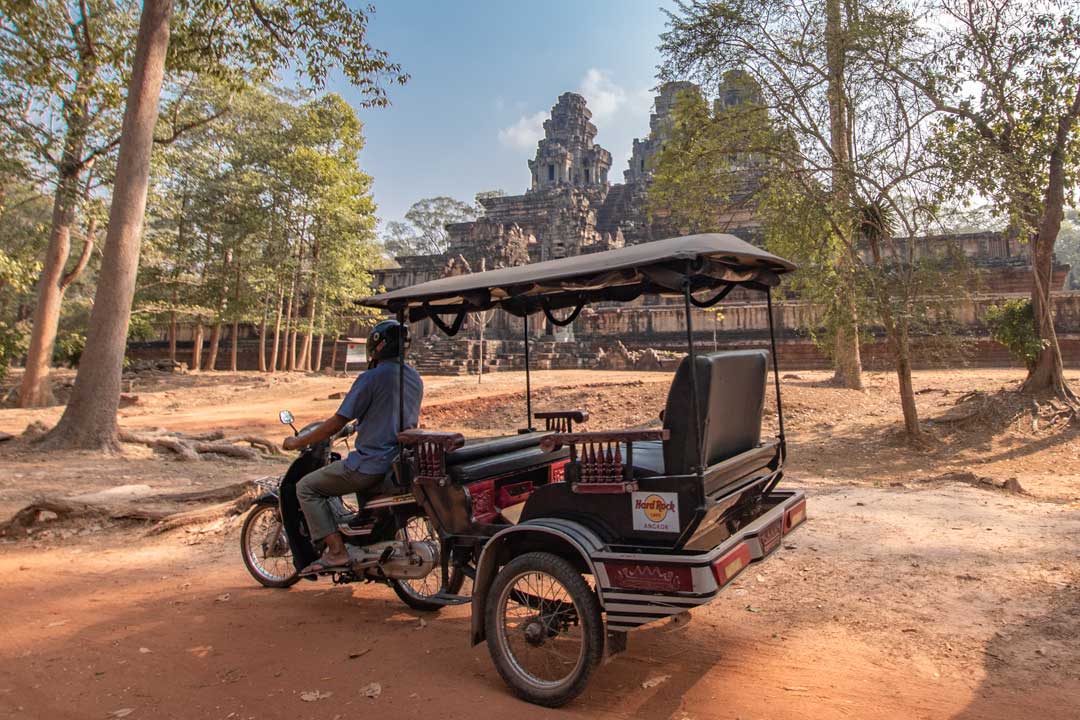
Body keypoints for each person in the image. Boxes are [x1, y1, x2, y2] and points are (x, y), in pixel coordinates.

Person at [282, 319, 423, 574]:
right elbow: (387, 414)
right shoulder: (414, 377)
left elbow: (337, 421)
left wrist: (298, 441)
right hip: (398, 460)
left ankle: (336, 552)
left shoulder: (371, 377)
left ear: (376, 345)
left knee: (306, 487)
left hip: (371, 464)